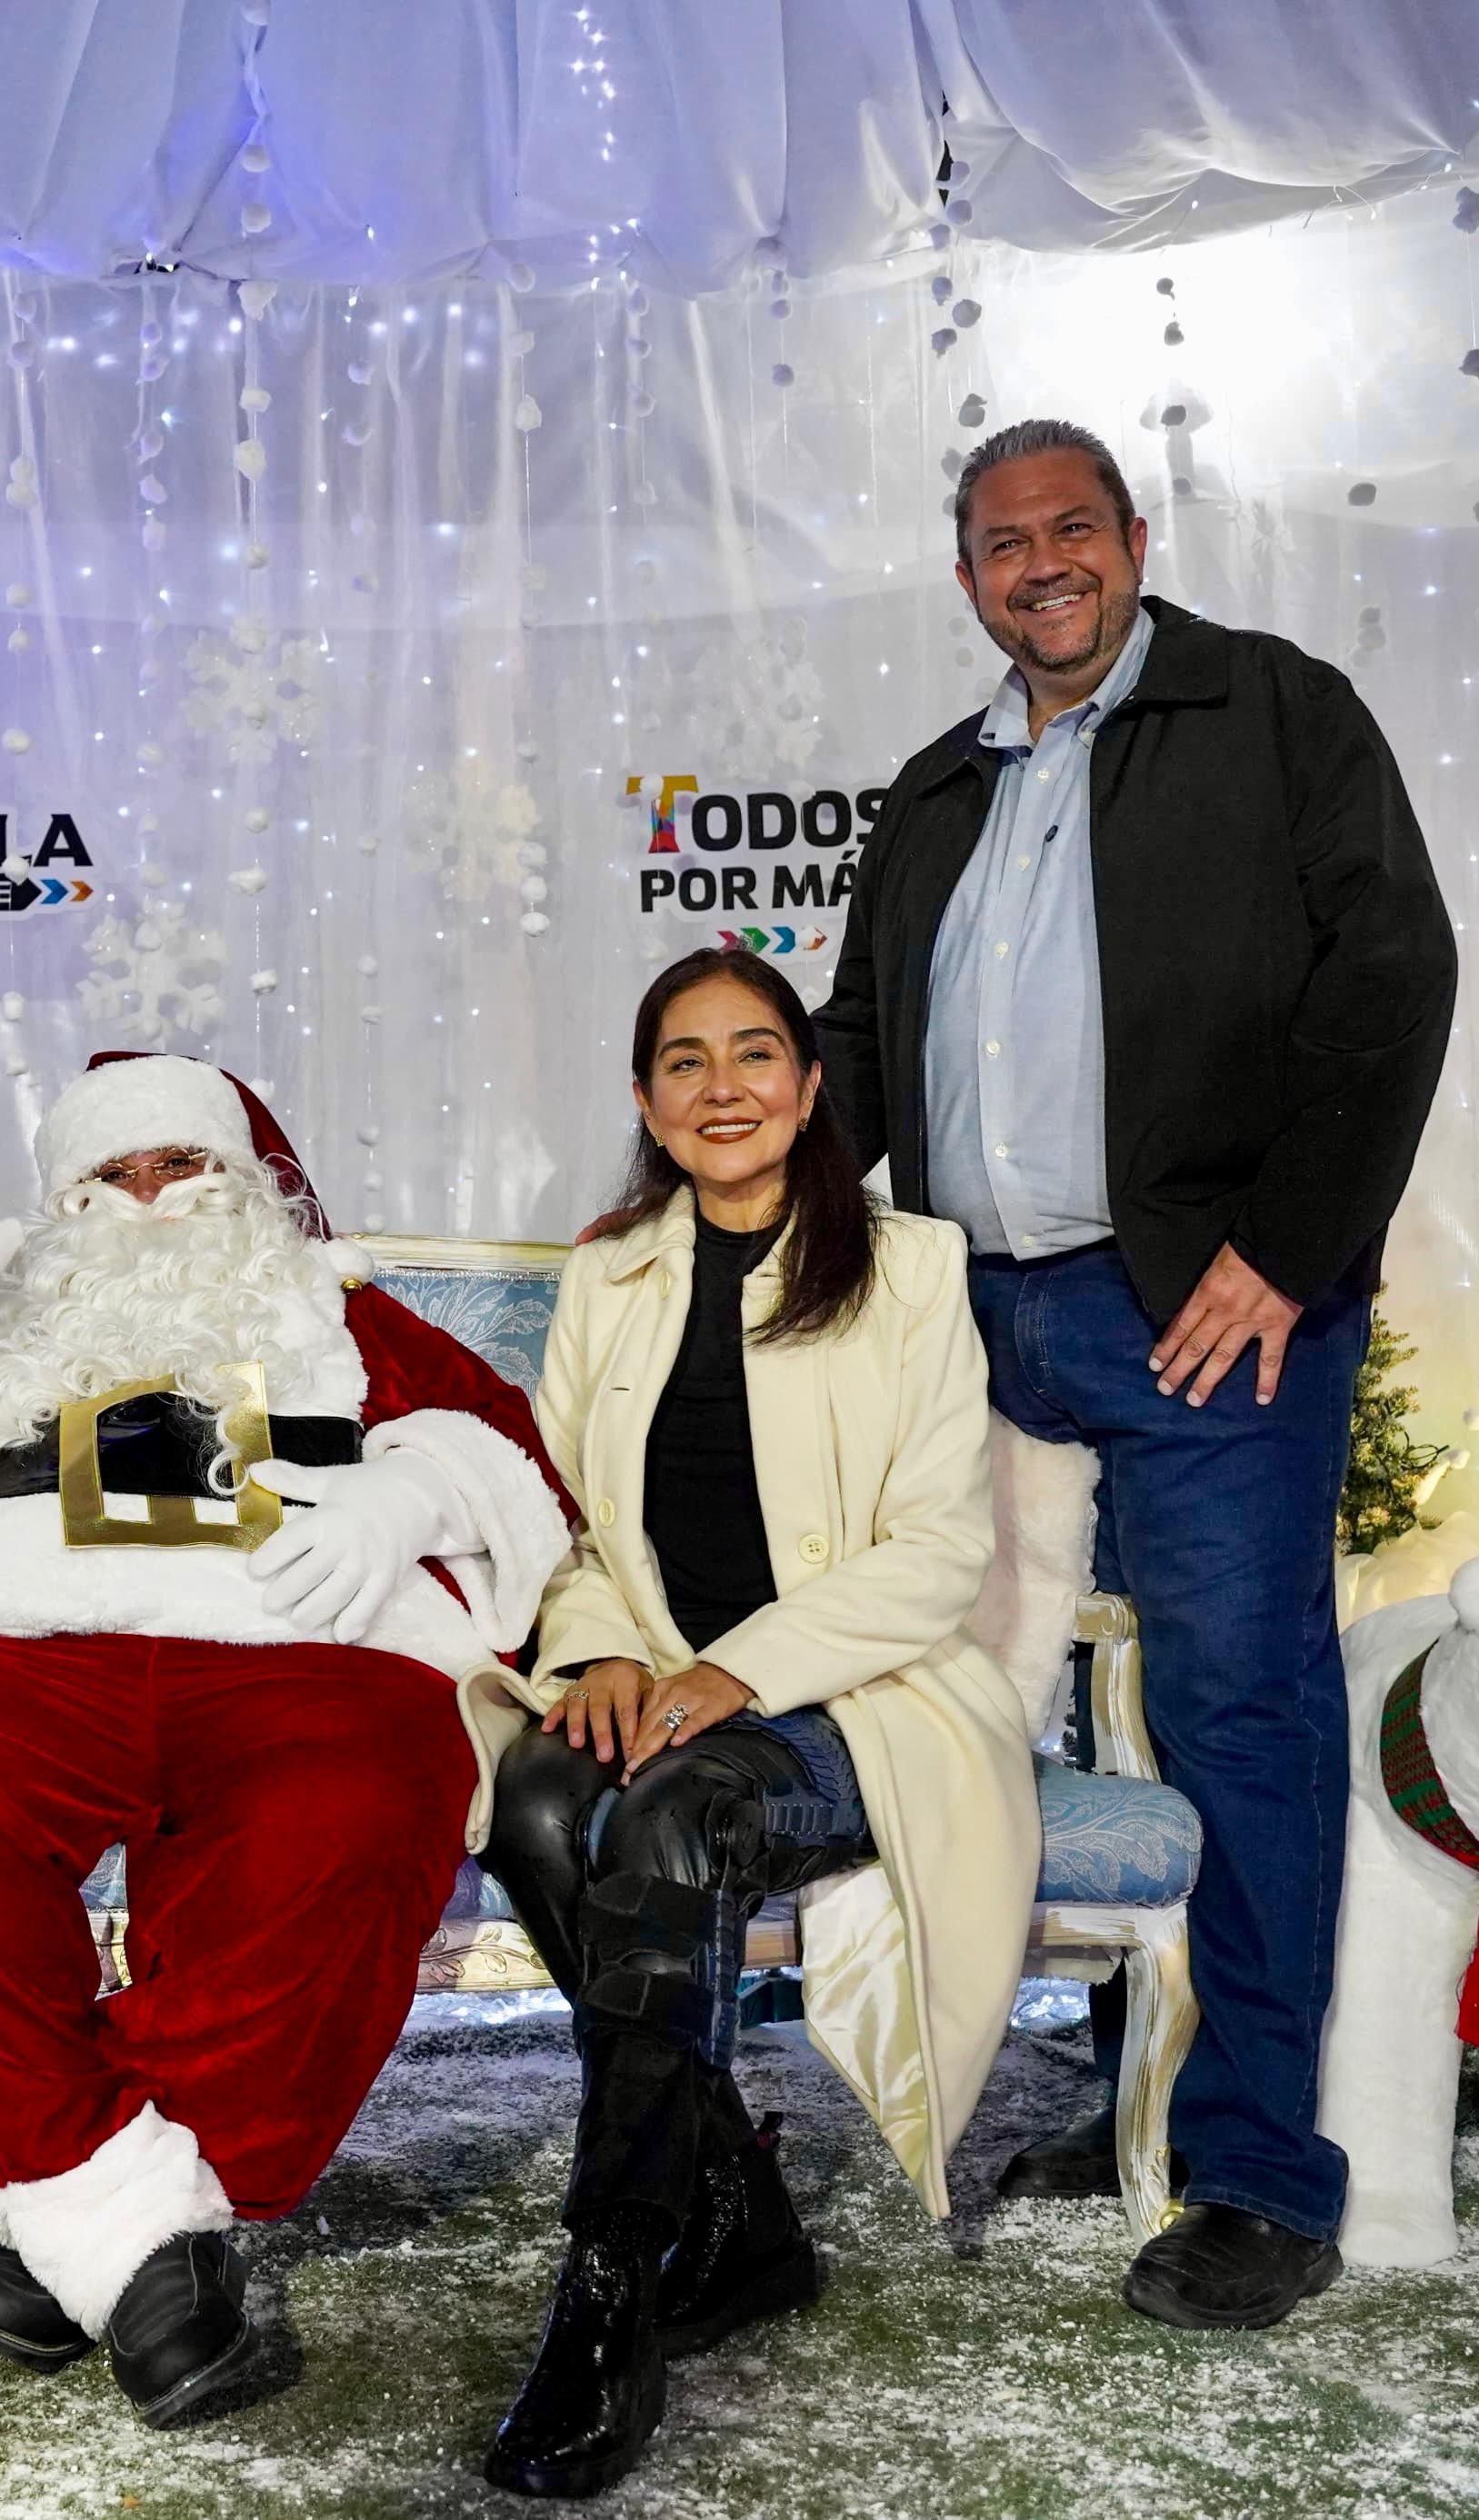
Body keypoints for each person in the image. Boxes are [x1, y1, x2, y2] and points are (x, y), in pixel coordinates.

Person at [814, 419, 1457, 2331]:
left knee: (1235, 1709)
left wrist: (1286, 1243)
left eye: (1070, 528)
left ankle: (1263, 2174)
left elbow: (1389, 972)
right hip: (970, 1315)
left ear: (1132, 537)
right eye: (1002, 544)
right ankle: (1105, 2097)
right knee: (932, 1683)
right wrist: (702, 1218)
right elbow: (853, 1042)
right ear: (966, 581)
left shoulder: (1273, 711)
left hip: (1202, 1303)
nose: (1041, 565)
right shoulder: (937, 789)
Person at [0, 1056, 571, 2430]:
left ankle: (61, 2226)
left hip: (286, 1638)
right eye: (110, 1180)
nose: (147, 1203)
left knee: (379, 1777)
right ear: (66, 1202)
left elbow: (512, 1448)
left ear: (242, 1182)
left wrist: (407, 1495)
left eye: (179, 1169)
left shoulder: (334, 1306)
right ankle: (143, 2243)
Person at [477, 948, 1039, 2499]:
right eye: (683, 1062)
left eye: (753, 1055)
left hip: (863, 1702)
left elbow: (938, 1552)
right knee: (532, 1794)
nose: (721, 1087)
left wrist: (739, 1670)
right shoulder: (610, 1273)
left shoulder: (913, 1268)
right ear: (649, 1104)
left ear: (803, 1086)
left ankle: (616, 2287)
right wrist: (590, 1649)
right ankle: (742, 2207)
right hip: (654, 1681)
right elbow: (570, 1516)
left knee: (660, 1819)